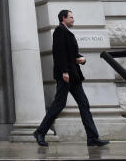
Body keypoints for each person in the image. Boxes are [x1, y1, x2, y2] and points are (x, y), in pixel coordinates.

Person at [33, 9, 110, 147]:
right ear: (64, 18)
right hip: (66, 76)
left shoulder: (67, 32)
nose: (73, 19)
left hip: (74, 76)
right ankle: (40, 132)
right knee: (59, 105)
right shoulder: (59, 31)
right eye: (71, 17)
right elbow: (59, 53)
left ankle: (92, 138)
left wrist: (82, 59)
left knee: (84, 104)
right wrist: (64, 71)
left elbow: (71, 53)